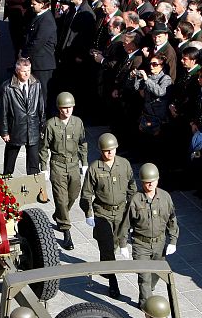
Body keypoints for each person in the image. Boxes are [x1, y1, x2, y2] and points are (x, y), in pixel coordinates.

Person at [80, 133, 136, 298]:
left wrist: (133, 211)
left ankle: (106, 267)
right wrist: (88, 213)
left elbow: (132, 187)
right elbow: (86, 194)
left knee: (116, 243)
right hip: (102, 212)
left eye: (111, 150)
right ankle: (113, 282)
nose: (109, 153)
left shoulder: (124, 165)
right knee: (106, 246)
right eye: (105, 151)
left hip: (121, 211)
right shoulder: (95, 168)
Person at [124, 163, 179, 306]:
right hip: (140, 244)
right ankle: (146, 307)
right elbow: (126, 223)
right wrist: (123, 244)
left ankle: (147, 291)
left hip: (159, 243)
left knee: (156, 273)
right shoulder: (135, 200)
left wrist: (173, 240)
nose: (149, 185)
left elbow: (172, 219)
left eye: (152, 181)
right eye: (146, 182)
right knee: (144, 277)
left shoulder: (165, 197)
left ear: (157, 180)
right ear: (142, 182)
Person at [39, 92, 88, 251]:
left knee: (73, 194)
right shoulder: (51, 125)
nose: (67, 111)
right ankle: (66, 232)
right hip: (58, 165)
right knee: (61, 198)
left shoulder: (78, 123)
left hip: (73, 164)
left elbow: (82, 143)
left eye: (69, 107)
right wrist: (44, 168)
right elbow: (44, 147)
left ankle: (59, 214)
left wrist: (84, 163)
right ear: (59, 108)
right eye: (64, 108)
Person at [0, 58, 45, 176]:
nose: (27, 73)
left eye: (29, 70)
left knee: (34, 164)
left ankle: (34, 186)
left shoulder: (36, 84)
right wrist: (4, 132)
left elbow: (41, 106)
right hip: (16, 128)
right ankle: (7, 179)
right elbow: (3, 112)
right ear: (17, 71)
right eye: (24, 71)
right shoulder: (7, 87)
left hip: (33, 127)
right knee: (10, 160)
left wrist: (42, 126)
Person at [23, 0, 58, 112]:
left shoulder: (46, 20)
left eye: (34, 4)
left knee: (44, 93)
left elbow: (38, 42)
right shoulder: (39, 16)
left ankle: (45, 117)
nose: (32, 6)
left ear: (42, 4)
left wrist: (24, 55)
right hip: (38, 61)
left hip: (43, 63)